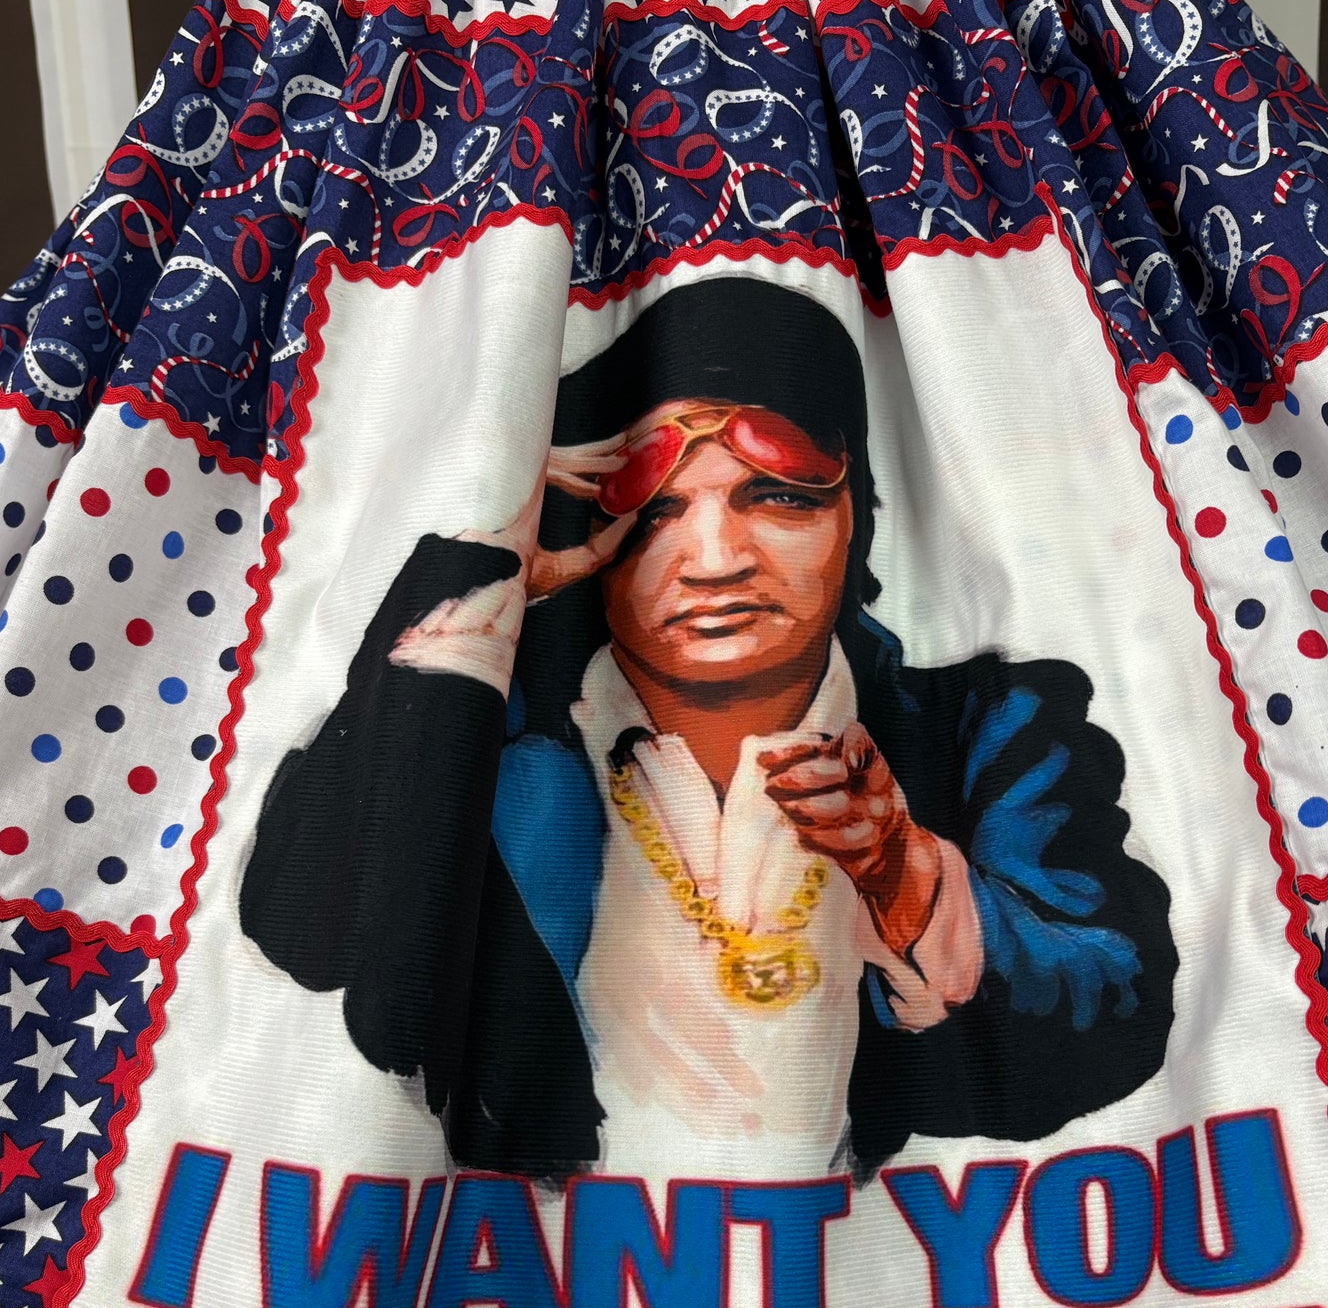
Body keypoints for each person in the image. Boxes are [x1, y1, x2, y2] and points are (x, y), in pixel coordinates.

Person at [239, 277, 1177, 1179]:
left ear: (858, 513)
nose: (716, 559)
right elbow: (306, 933)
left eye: (781, 496)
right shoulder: (485, 733)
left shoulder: (992, 731)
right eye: (653, 512)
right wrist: (485, 562)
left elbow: (1119, 1018)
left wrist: (907, 875)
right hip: (529, 1275)